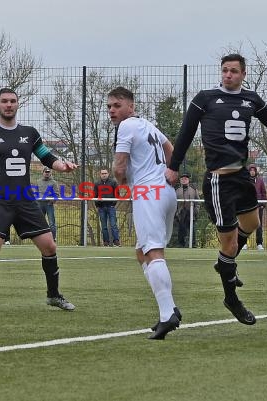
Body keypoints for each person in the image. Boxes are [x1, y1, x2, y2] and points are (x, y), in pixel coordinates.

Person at [166, 53, 267, 325]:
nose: (228, 75)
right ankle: (231, 298)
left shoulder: (252, 99)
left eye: (234, 71)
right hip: (218, 180)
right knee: (230, 241)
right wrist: (174, 166)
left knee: (251, 221)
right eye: (225, 70)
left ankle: (226, 264)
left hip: (240, 176)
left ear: (243, 74)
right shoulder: (205, 98)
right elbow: (186, 132)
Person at [0, 87, 77, 314]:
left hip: (25, 200)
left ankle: (53, 295)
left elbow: (46, 156)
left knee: (49, 246)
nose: (9, 104)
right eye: (4, 101)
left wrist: (61, 166)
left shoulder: (30, 133)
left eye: (12, 101)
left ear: (18, 104)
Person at [109, 86, 181, 340]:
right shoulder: (148, 125)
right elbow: (171, 147)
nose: (112, 111)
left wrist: (124, 186)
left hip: (148, 192)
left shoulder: (126, 126)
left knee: (152, 251)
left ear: (131, 106)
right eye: (109, 107)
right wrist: (172, 171)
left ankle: (166, 315)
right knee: (142, 252)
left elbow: (119, 167)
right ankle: (169, 307)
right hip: (166, 191)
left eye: (117, 106)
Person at [94, 169, 120, 246]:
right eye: (102, 173)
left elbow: (117, 193)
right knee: (104, 226)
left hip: (111, 206)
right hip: (101, 207)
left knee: (113, 224)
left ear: (108, 174)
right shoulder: (97, 183)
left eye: (105, 173)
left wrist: (113, 204)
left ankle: (116, 241)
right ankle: (106, 242)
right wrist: (97, 205)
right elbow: (95, 195)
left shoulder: (113, 182)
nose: (104, 175)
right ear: (100, 174)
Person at [244, 164, 266, 250]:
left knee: (259, 225)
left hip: (258, 206)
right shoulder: (245, 180)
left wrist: (263, 204)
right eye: (250, 170)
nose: (252, 172)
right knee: (245, 225)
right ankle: (244, 243)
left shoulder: (260, 180)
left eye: (254, 170)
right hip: (247, 207)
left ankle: (259, 243)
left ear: (256, 171)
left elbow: (263, 193)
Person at [175, 172, 199, 248]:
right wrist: (176, 213)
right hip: (181, 213)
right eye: (182, 179)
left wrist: (196, 211)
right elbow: (174, 203)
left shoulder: (193, 190)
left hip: (191, 212)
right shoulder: (177, 190)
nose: (184, 180)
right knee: (181, 229)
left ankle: (193, 244)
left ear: (188, 180)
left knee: (192, 229)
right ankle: (180, 244)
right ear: (180, 180)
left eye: (185, 179)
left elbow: (198, 202)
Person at [35, 167, 59, 241]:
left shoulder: (53, 182)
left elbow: (57, 194)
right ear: (43, 173)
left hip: (49, 204)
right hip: (40, 204)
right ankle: (40, 238)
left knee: (51, 222)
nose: (47, 173)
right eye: (46, 172)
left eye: (48, 172)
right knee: (40, 222)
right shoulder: (38, 182)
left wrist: (52, 201)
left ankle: (53, 238)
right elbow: (35, 193)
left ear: (50, 173)